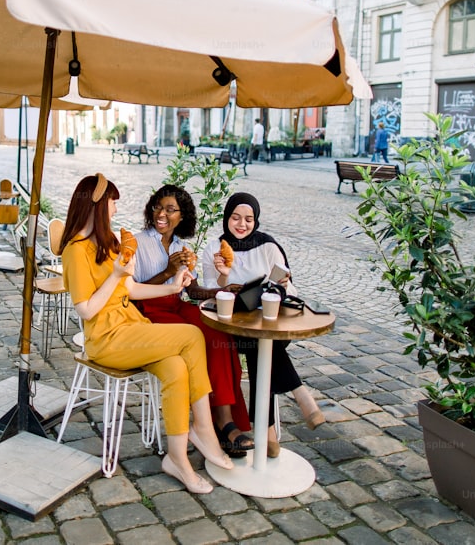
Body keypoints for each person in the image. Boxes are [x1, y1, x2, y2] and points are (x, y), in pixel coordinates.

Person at [60, 173, 233, 494]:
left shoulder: (109, 243)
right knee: (192, 336)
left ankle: (177, 458)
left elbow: (133, 290)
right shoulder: (75, 250)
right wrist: (114, 276)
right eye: (111, 203)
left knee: (177, 368)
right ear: (97, 205)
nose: (114, 210)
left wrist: (172, 285)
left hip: (132, 329)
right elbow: (85, 310)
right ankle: (205, 429)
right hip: (106, 340)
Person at [132, 185, 253, 457]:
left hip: (176, 305)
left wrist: (223, 289)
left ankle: (224, 419)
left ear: (182, 216)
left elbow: (193, 291)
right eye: (158, 207)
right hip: (147, 311)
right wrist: (168, 272)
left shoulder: (179, 247)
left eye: (170, 209)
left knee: (219, 332)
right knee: (199, 336)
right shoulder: (136, 242)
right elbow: (130, 291)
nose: (162, 214)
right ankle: (217, 424)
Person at [201, 192, 325, 458]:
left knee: (262, 343)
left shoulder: (268, 246)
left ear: (256, 221)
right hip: (229, 330)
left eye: (248, 219)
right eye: (235, 217)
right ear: (227, 218)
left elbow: (290, 291)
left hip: (267, 322)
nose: (241, 224)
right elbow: (211, 293)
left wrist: (282, 285)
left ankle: (267, 430)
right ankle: (298, 398)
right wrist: (223, 276)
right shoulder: (215, 247)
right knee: (261, 346)